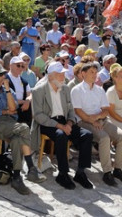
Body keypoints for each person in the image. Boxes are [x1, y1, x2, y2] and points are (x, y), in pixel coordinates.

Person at [0, 64, 46, 195]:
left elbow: (13, 108)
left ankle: (16, 177)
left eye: (3, 73)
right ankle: (31, 167)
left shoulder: (7, 90)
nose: (3, 76)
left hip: (9, 123)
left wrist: (8, 90)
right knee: (25, 128)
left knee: (17, 139)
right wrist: (4, 111)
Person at [31, 61, 94, 189]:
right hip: (48, 123)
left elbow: (71, 109)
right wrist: (60, 126)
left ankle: (81, 172)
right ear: (51, 76)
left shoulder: (65, 88)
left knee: (87, 135)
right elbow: (38, 115)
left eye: (63, 74)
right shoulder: (38, 90)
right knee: (61, 136)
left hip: (65, 121)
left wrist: (70, 123)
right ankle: (63, 173)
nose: (63, 77)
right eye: (60, 75)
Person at [71, 62, 122, 186]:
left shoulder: (99, 90)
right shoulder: (76, 90)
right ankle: (107, 172)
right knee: (104, 138)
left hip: (101, 120)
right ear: (83, 74)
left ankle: (118, 169)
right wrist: (93, 120)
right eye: (91, 72)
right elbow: (78, 111)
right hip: (84, 122)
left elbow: (105, 109)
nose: (94, 75)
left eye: (95, 72)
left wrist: (97, 118)